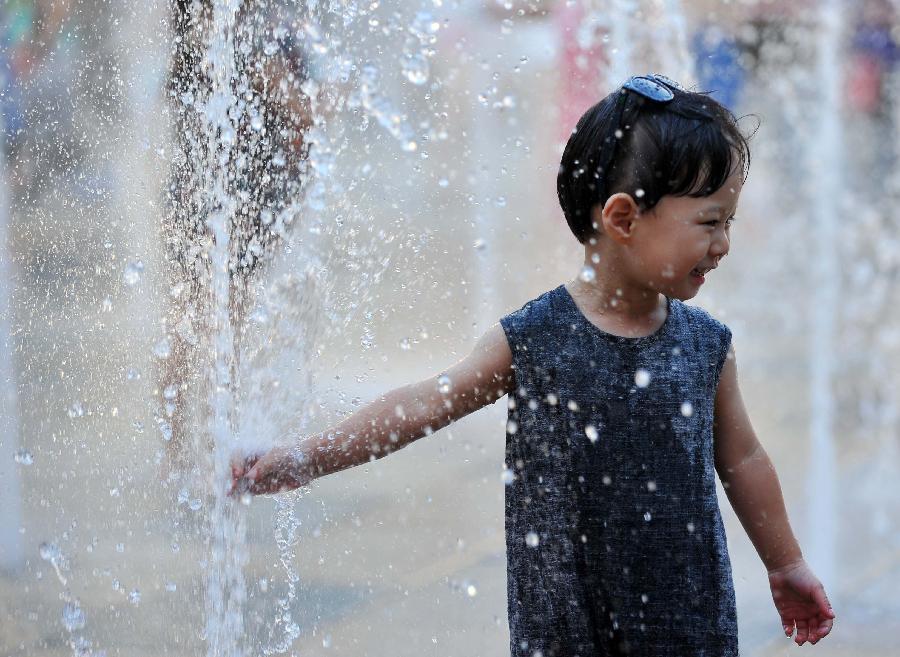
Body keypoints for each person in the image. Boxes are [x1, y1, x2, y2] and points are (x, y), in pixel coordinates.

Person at [231, 74, 836, 655]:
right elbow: (428, 401)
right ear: (623, 218)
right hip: (567, 630)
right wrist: (310, 455)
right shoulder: (536, 338)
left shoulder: (706, 345)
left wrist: (785, 564)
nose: (724, 243)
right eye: (710, 222)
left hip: (688, 626)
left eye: (727, 222)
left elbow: (743, 457)